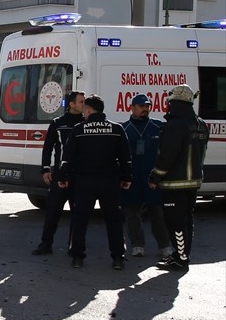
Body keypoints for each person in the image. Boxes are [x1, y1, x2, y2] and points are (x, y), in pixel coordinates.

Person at [57, 94, 131, 270]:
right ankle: (118, 258)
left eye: (84, 109)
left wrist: (62, 177)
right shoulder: (117, 129)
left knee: (80, 220)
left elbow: (67, 158)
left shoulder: (79, 130)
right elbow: (126, 158)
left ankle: (77, 257)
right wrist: (127, 178)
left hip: (85, 182)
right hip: (110, 182)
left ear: (89, 110)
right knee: (114, 221)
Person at [148, 84, 209, 271]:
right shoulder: (200, 124)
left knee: (175, 222)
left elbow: (167, 155)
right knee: (186, 220)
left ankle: (181, 258)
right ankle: (181, 255)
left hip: (175, 183)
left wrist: (155, 176)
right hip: (193, 182)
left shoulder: (175, 125)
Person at [32, 90, 84, 255]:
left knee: (78, 214)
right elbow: (48, 148)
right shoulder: (57, 123)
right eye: (81, 102)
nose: (84, 104)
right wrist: (45, 169)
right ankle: (45, 244)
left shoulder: (86, 122)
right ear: (71, 104)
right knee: (53, 211)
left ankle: (74, 247)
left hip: (80, 176)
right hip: (60, 175)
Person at [120, 94, 171, 261]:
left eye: (147, 106)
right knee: (132, 213)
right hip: (133, 178)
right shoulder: (124, 128)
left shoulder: (157, 126)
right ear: (132, 107)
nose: (145, 109)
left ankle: (164, 246)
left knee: (157, 212)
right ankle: (137, 245)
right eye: (141, 106)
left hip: (152, 177)